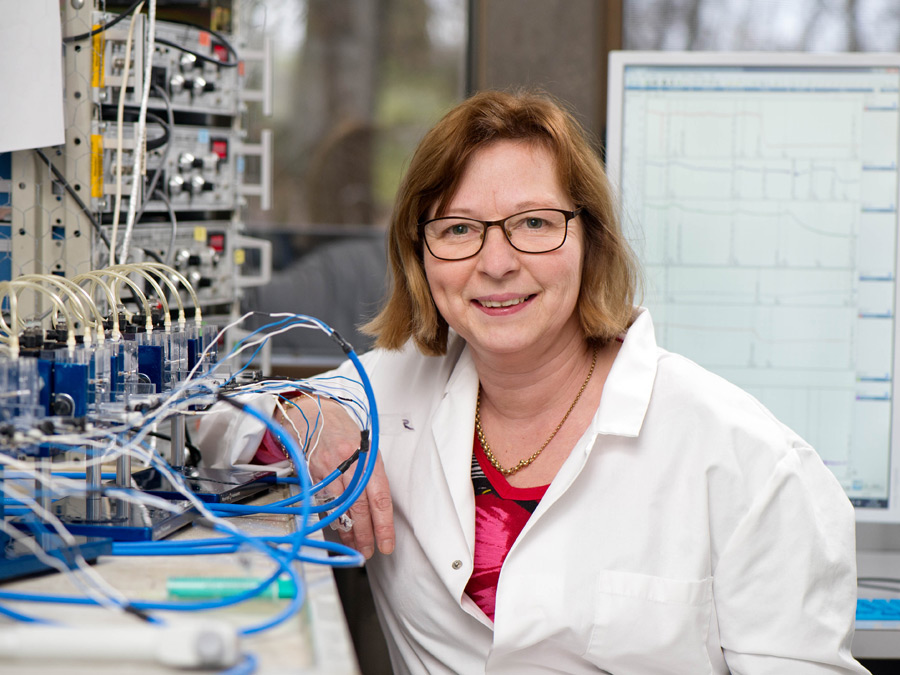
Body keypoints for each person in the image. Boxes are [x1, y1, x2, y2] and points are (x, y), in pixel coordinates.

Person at [198, 89, 868, 674]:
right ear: (420, 257)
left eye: (534, 224)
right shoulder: (392, 394)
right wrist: (300, 414)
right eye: (459, 229)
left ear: (592, 241)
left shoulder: (751, 463)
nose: (496, 262)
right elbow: (211, 420)